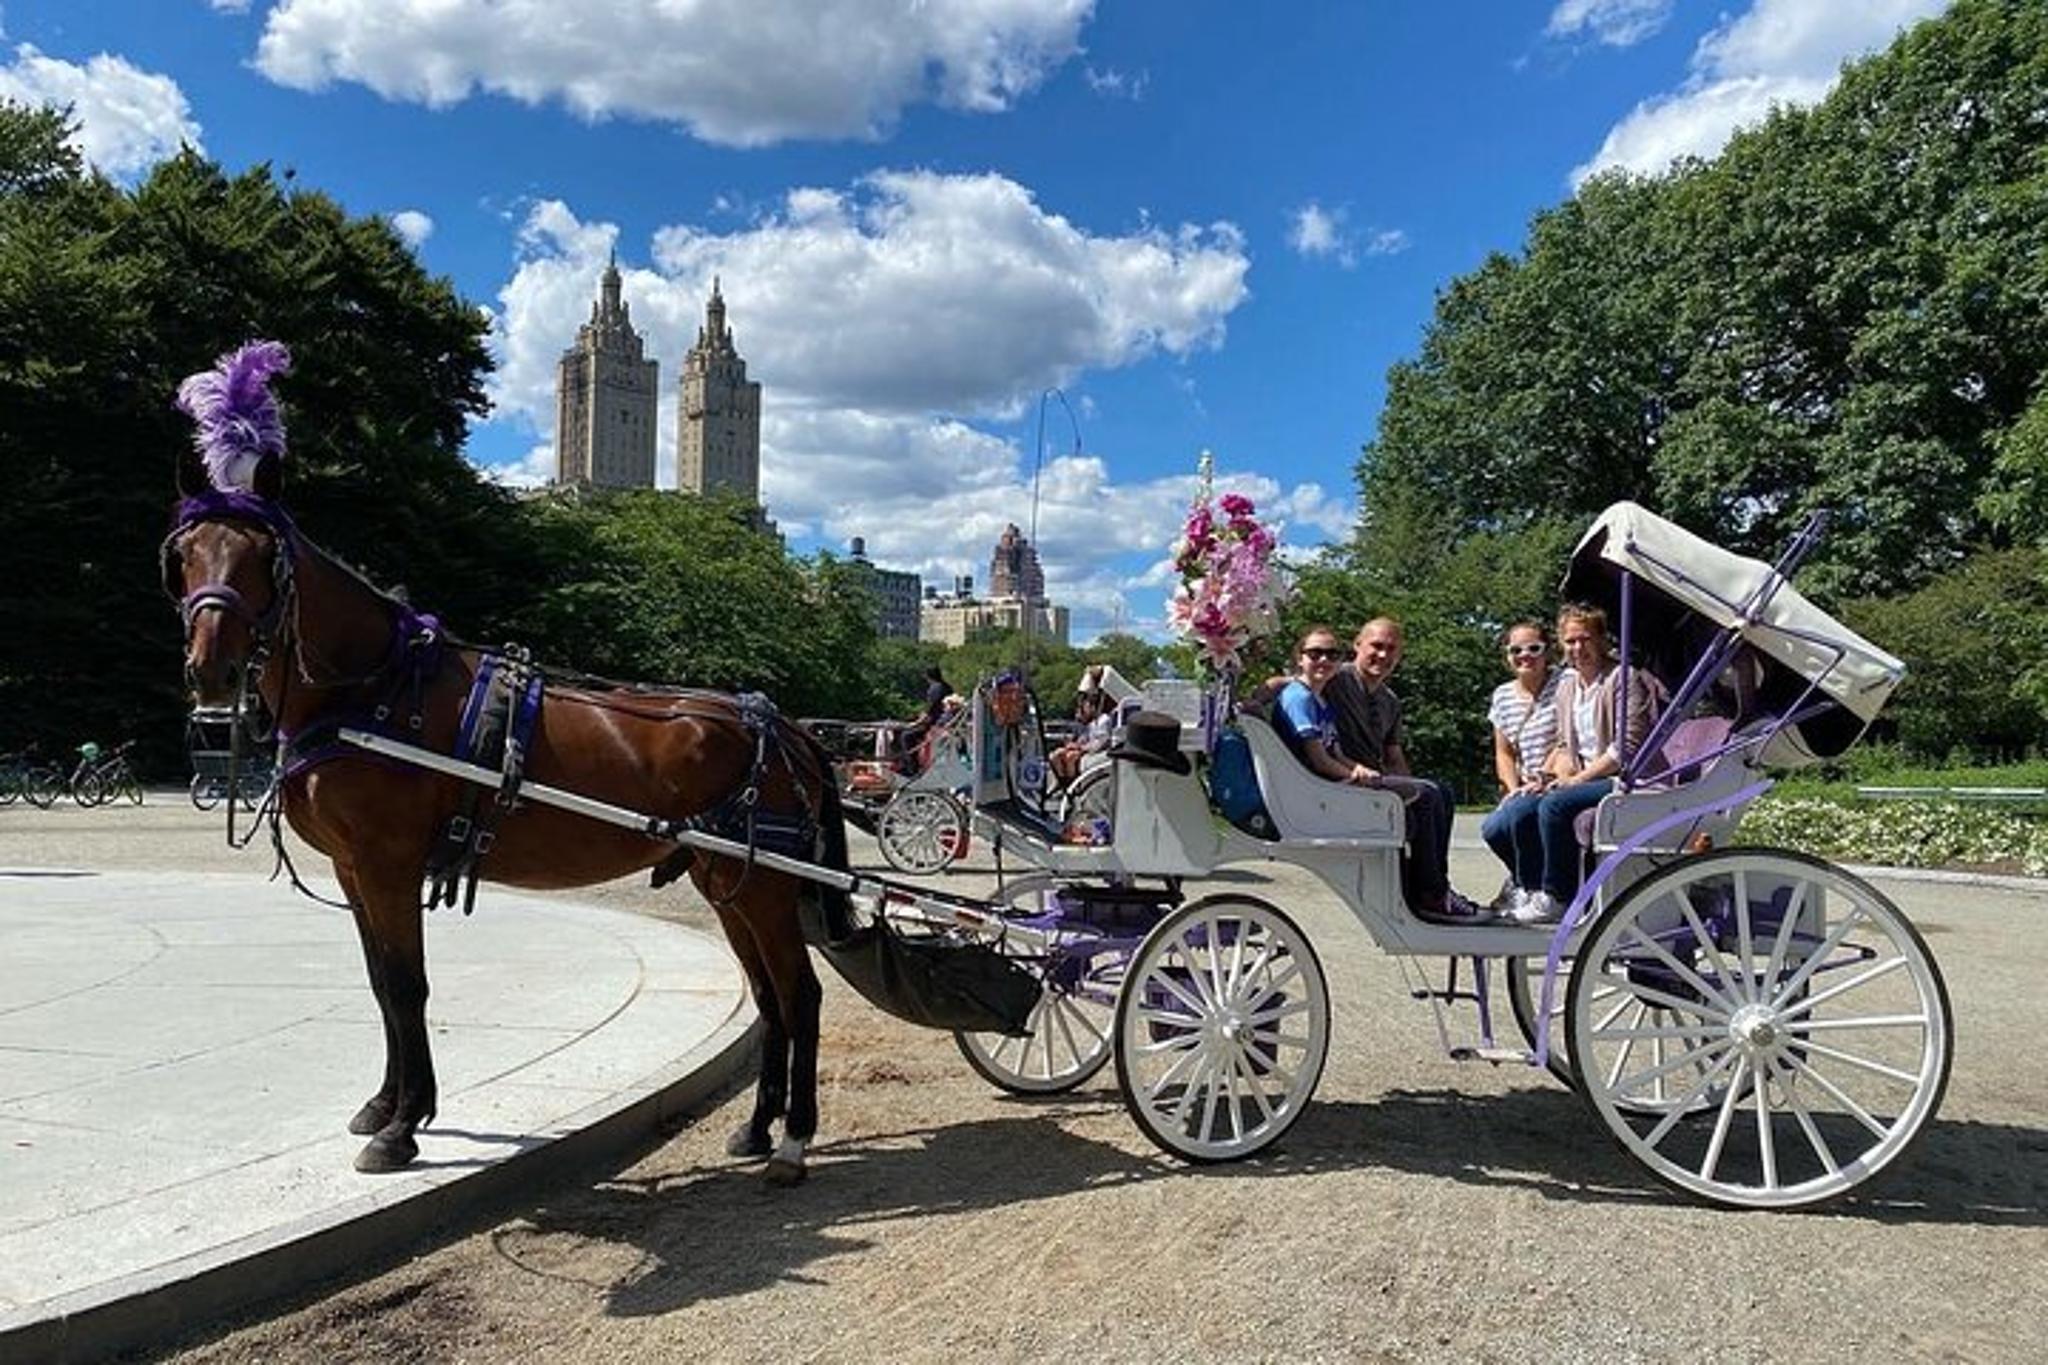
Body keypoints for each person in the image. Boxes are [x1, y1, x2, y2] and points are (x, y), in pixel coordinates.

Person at [1284, 620, 1486, 926]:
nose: (1382, 654)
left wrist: (1410, 788)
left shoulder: (1390, 701)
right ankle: (1432, 894)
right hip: (1341, 786)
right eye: (1376, 646)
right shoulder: (1336, 679)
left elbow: (1394, 756)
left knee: (1437, 791)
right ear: (1357, 646)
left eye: (1391, 649)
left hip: (1368, 778)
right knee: (1428, 794)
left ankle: (1432, 891)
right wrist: (1261, 694)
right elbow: (1294, 683)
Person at [1500, 603, 1665, 924]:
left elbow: (1627, 748)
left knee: (1555, 806)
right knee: (1519, 810)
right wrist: (1545, 777)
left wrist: (1578, 780)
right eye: (1570, 641)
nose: (1578, 648)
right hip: (1587, 777)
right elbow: (1564, 744)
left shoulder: (1622, 678)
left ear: (1602, 640)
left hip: (1626, 779)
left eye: (1585, 639)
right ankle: (1530, 890)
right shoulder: (1569, 686)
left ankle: (1558, 897)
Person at [1478, 622, 1560, 915]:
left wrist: (1545, 777)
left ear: (1548, 651)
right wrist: (1513, 789)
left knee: (1521, 815)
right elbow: (1504, 752)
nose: (1525, 656)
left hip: (1557, 778)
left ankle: (1535, 890)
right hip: (1523, 785)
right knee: (1493, 829)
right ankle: (1522, 881)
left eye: (1533, 648)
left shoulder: (1565, 683)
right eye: (1516, 650)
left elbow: (1567, 741)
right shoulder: (1502, 695)